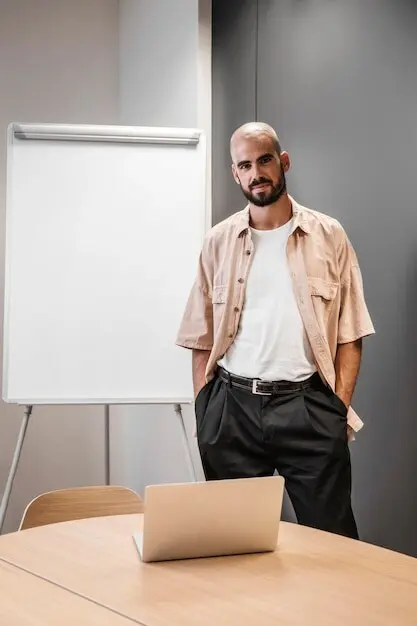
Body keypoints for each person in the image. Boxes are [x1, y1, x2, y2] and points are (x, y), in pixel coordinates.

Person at [176, 122, 375, 539]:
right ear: (235, 173)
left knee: (333, 542)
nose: (256, 173)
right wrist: (205, 410)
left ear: (283, 162)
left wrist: (336, 411)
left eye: (264, 160)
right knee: (235, 542)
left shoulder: (328, 235)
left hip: (307, 406)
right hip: (232, 409)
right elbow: (200, 336)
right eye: (245, 165)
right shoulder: (218, 241)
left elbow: (351, 332)